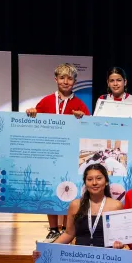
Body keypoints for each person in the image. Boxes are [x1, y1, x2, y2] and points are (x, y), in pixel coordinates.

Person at [26, 63, 91, 243]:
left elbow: (90, 127)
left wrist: (83, 119)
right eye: (62, 77)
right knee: (50, 189)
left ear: (75, 82)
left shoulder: (79, 104)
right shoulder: (46, 101)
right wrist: (32, 112)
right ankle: (53, 228)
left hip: (70, 154)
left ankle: (66, 228)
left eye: (69, 78)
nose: (65, 81)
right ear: (55, 79)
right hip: (49, 153)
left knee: (67, 190)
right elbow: (34, 116)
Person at [97, 67, 132, 153]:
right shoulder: (102, 99)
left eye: (119, 80)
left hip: (129, 147)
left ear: (125, 82)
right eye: (112, 81)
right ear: (108, 83)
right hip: (106, 145)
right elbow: (96, 123)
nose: (115, 84)